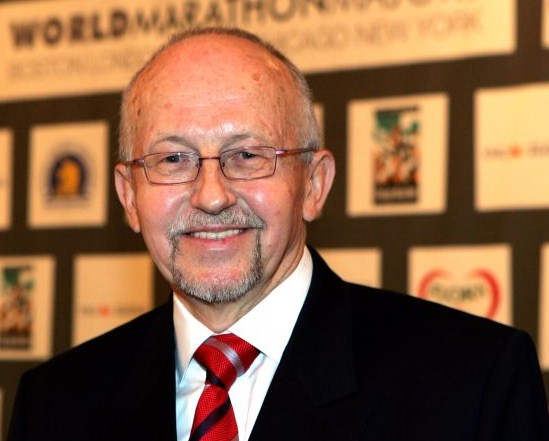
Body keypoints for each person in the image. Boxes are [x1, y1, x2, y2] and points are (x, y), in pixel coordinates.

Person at [7, 27, 549, 441]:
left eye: (248, 155)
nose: (212, 195)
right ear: (129, 196)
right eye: (173, 159)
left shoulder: (473, 385)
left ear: (314, 183)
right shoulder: (54, 404)